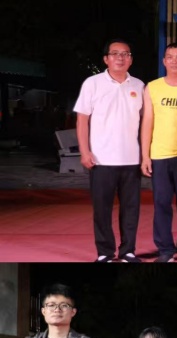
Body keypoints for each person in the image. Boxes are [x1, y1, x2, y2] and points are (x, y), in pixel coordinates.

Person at [74, 39, 144, 263]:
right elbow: (82, 120)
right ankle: (105, 252)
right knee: (102, 209)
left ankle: (128, 251)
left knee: (131, 209)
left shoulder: (139, 86)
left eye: (125, 54)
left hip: (131, 159)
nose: (120, 58)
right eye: (115, 54)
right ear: (106, 59)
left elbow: (146, 122)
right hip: (101, 159)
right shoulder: (92, 83)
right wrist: (85, 151)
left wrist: (145, 155)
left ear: (131, 59)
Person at [141, 43, 177, 263]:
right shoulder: (153, 87)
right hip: (160, 154)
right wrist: (145, 156)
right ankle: (165, 249)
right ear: (164, 61)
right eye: (170, 57)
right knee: (162, 203)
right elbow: (147, 122)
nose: (174, 61)